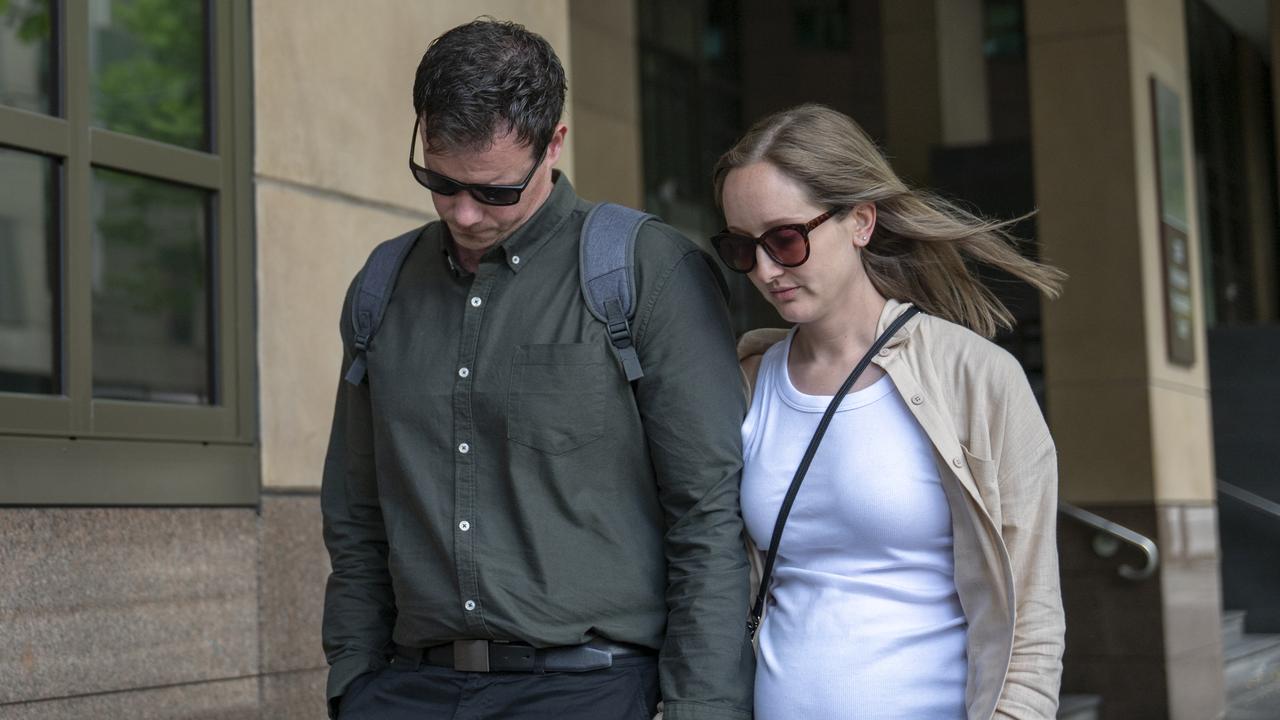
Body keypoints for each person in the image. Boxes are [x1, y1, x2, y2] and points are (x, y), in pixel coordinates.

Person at [320, 19, 754, 720]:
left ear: (553, 142)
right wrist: (353, 680)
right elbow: (355, 512)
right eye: (438, 180)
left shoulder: (647, 274)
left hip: (591, 690)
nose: (462, 212)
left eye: (493, 191)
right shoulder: (383, 286)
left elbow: (707, 515)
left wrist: (703, 705)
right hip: (405, 691)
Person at [713, 104, 1066, 720]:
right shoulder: (746, 384)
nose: (766, 270)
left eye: (786, 239)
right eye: (742, 248)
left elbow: (1032, 620)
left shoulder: (976, 379)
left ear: (861, 222)